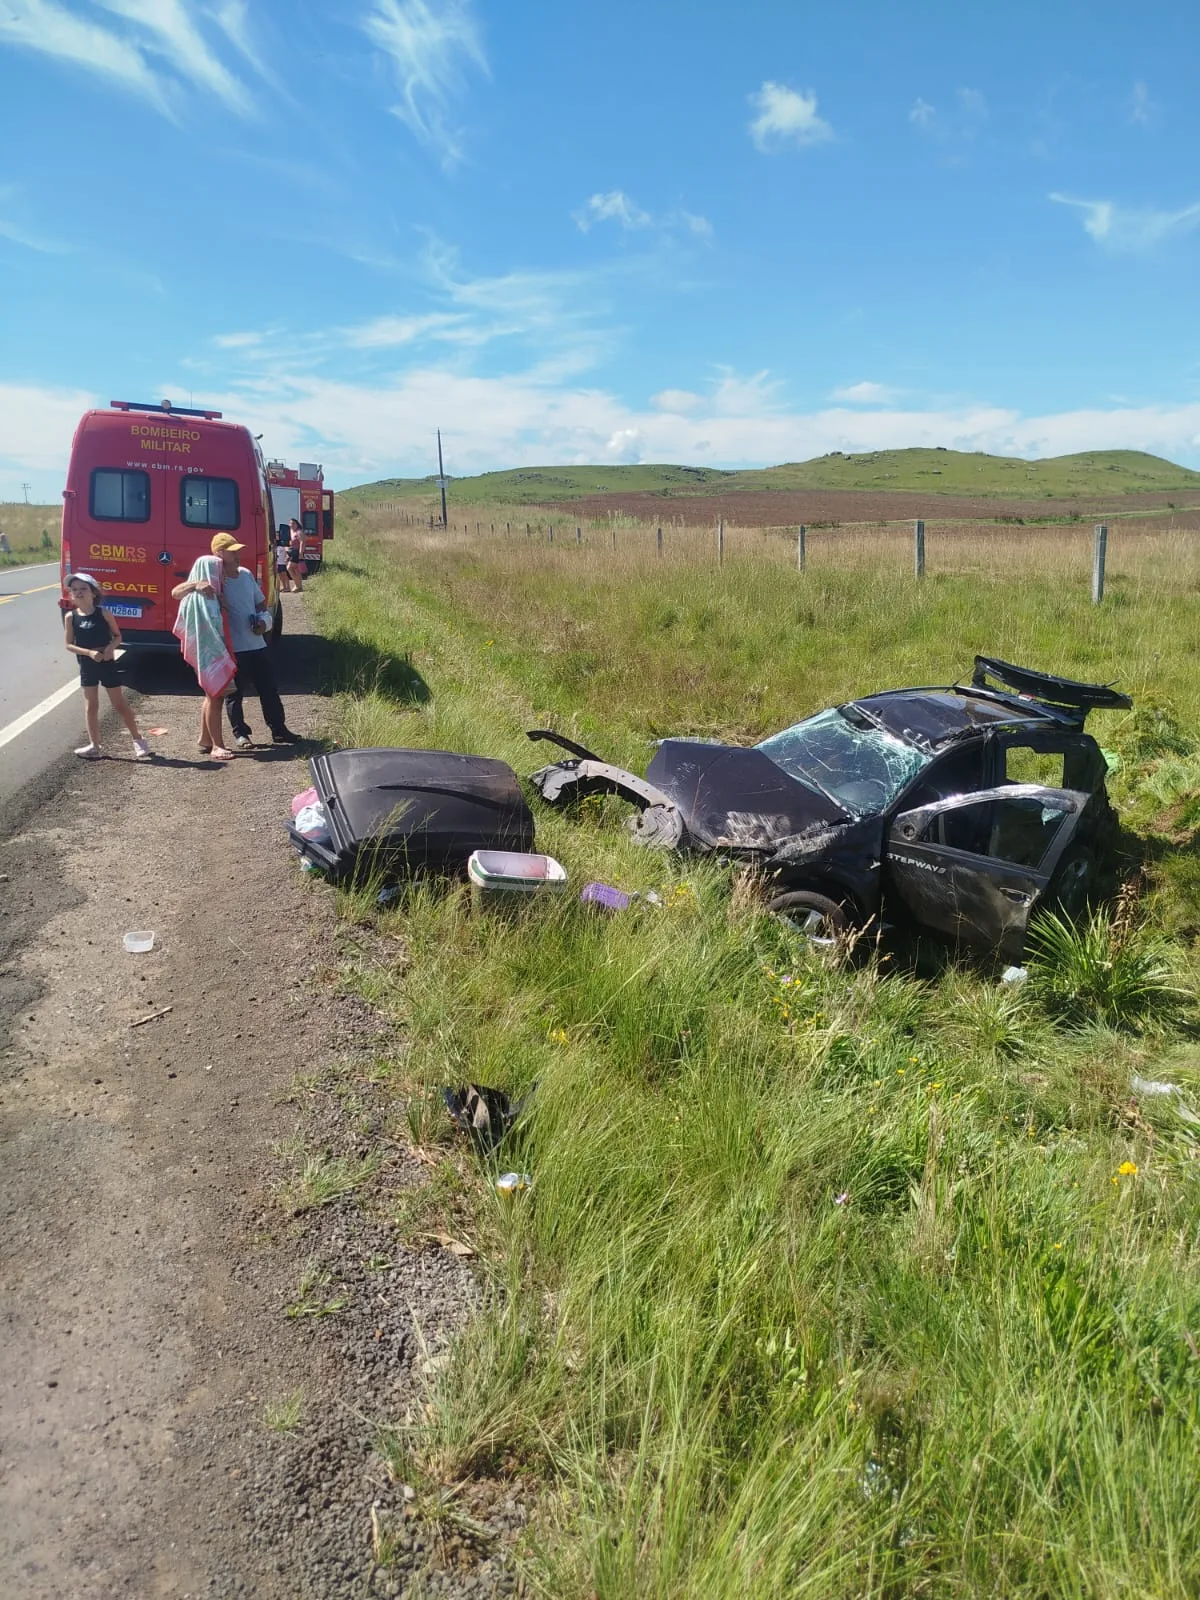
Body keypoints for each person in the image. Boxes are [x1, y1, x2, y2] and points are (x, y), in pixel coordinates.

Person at [205, 531, 299, 749]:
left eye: (238, 551)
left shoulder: (246, 575)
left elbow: (260, 605)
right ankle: (241, 734)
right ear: (219, 554)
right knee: (235, 696)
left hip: (257, 645)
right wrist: (198, 587)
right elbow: (181, 594)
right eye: (232, 552)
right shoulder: (215, 582)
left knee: (269, 689)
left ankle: (279, 730)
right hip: (233, 649)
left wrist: (264, 622)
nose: (238, 556)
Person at [63, 572, 150, 760]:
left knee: (119, 704)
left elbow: (118, 636)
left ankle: (138, 740)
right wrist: (88, 653)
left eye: (83, 589)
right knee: (91, 705)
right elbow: (68, 645)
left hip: (107, 662)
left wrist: (110, 648)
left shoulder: (103, 613)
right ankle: (94, 745)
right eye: (75, 590)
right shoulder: (71, 617)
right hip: (87, 663)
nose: (79, 593)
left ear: (93, 593)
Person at [171, 550, 237, 761]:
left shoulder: (212, 594)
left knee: (210, 696)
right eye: (218, 570)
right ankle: (217, 746)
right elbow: (207, 628)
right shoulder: (201, 596)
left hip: (212, 652)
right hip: (210, 653)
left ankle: (205, 739)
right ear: (208, 571)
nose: (222, 574)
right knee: (215, 697)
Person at [285, 517, 306, 594]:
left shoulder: (299, 532)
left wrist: (300, 553)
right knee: (296, 570)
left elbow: (302, 543)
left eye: (293, 523)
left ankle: (297, 585)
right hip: (291, 552)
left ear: (297, 524)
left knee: (289, 568)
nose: (291, 525)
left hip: (296, 552)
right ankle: (299, 586)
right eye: (290, 523)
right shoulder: (291, 531)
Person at [275, 523, 293, 593]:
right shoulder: (276, 544)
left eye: (277, 535)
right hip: (278, 562)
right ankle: (283, 586)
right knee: (280, 575)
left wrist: (287, 557)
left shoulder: (283, 543)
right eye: (276, 535)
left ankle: (287, 587)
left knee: (284, 575)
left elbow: (287, 551)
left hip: (282, 562)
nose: (276, 537)